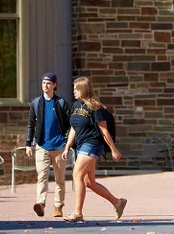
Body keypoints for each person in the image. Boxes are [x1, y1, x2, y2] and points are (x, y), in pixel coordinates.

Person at [58, 77, 127, 222]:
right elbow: (73, 128)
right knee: (89, 182)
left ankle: (78, 213)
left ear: (83, 89)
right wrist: (67, 147)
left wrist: (114, 149)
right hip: (82, 145)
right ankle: (117, 202)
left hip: (93, 144)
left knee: (77, 174)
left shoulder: (96, 108)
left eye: (76, 89)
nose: (73, 91)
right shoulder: (76, 106)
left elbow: (104, 131)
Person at [25, 73, 71, 217]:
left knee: (59, 179)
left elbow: (70, 125)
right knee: (42, 176)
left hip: (59, 146)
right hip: (41, 145)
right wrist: (28, 144)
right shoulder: (36, 103)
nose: (46, 85)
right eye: (44, 83)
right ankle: (41, 203)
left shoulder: (61, 103)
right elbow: (31, 124)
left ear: (55, 85)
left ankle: (58, 206)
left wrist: (66, 142)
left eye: (49, 83)